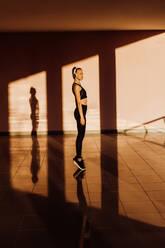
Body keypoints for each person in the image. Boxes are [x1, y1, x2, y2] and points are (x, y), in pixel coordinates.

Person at [72, 67, 87, 170]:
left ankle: (78, 156)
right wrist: (82, 117)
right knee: (80, 135)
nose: (82, 75)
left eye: (82, 73)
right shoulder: (76, 86)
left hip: (82, 111)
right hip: (80, 112)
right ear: (75, 75)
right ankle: (78, 158)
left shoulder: (78, 84)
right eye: (80, 73)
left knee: (81, 134)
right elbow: (78, 102)